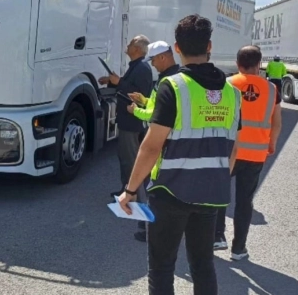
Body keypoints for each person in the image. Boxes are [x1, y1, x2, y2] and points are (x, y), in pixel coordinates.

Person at [117, 15, 242, 295]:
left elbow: (151, 146)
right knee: (203, 264)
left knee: (162, 267)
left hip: (170, 191)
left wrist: (130, 190)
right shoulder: (233, 93)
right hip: (211, 192)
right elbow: (234, 147)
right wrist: (219, 178)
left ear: (177, 48)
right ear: (209, 46)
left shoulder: (172, 86)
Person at [214, 45, 282, 261]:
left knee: (219, 193)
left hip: (229, 150)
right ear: (259, 64)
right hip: (256, 154)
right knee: (245, 201)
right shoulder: (272, 89)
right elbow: (276, 122)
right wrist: (272, 143)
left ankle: (218, 237)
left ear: (237, 64)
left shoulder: (227, 84)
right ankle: (238, 249)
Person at [126, 40, 180, 243]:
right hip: (172, 142)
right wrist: (145, 100)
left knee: (154, 191)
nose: (153, 65)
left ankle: (149, 231)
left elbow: (154, 115)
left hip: (160, 143)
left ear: (163, 57)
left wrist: (135, 110)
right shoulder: (177, 78)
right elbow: (158, 106)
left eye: (154, 60)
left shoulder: (165, 81)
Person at [98, 35, 153, 201]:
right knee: (126, 157)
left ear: (137, 49)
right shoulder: (137, 66)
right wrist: (112, 81)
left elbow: (141, 95)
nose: (127, 46)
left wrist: (119, 82)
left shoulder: (142, 68)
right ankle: (128, 191)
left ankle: (132, 195)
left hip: (132, 122)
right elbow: (128, 87)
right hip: (128, 120)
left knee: (130, 159)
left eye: (130, 44)